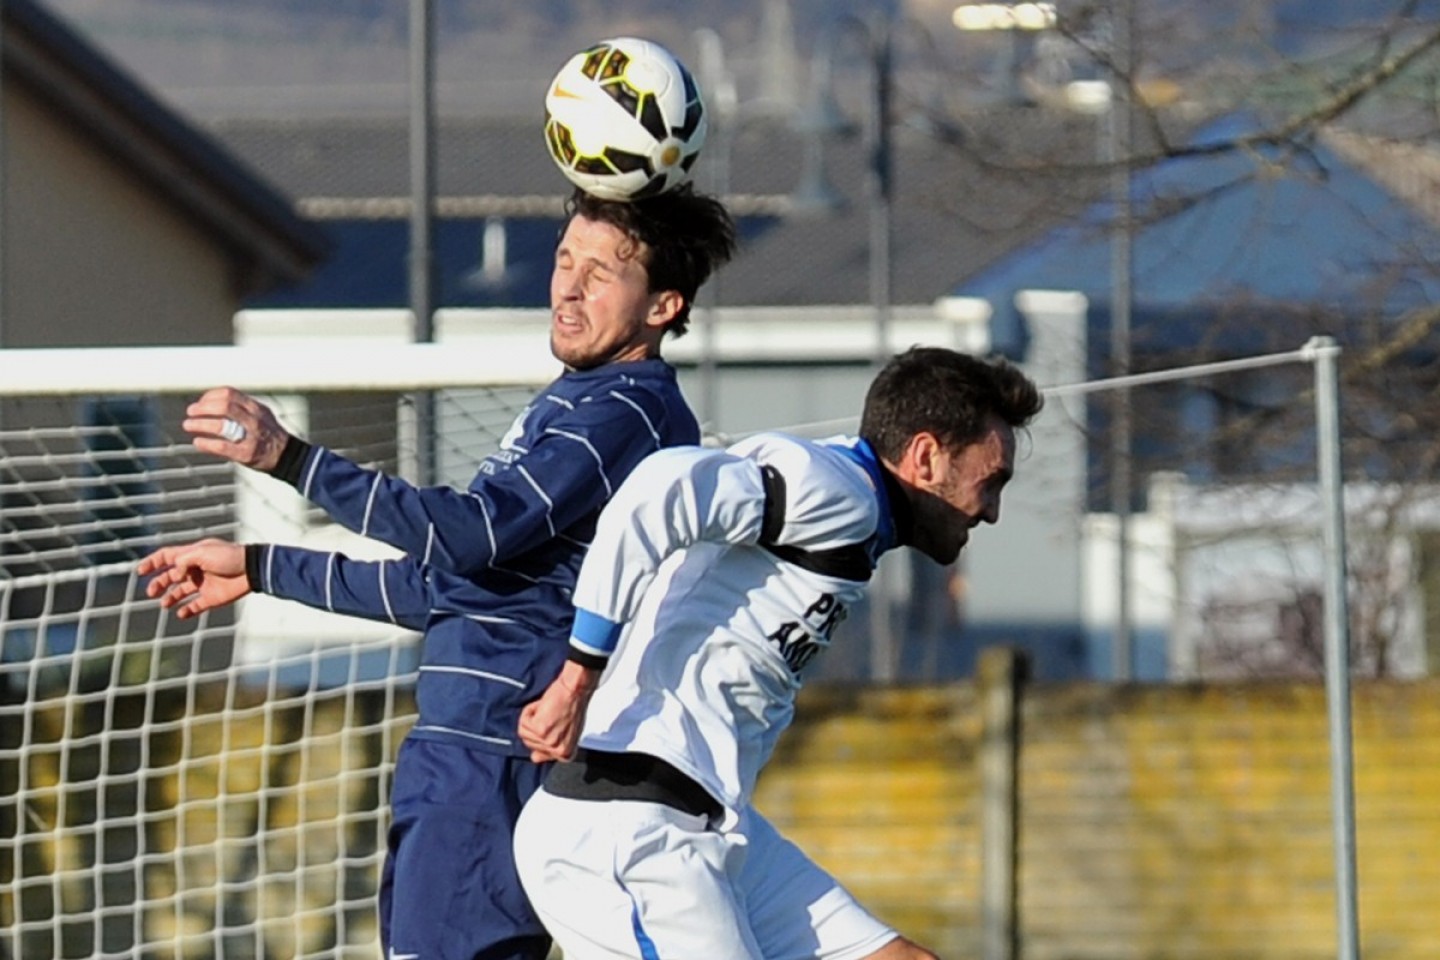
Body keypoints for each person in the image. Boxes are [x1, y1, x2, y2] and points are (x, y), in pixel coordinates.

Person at [137, 184, 737, 960]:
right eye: (564, 260)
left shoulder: (623, 413)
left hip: (491, 754)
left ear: (662, 306)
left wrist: (290, 458)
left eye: (602, 271)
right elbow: (442, 588)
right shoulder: (584, 402)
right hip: (464, 754)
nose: (568, 285)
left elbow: (466, 536)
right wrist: (259, 567)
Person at [513, 346, 1044, 960]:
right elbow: (657, 491)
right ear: (926, 457)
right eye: (992, 480)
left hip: (711, 823)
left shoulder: (850, 503)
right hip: (626, 830)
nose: (994, 511)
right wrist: (577, 677)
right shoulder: (839, 490)